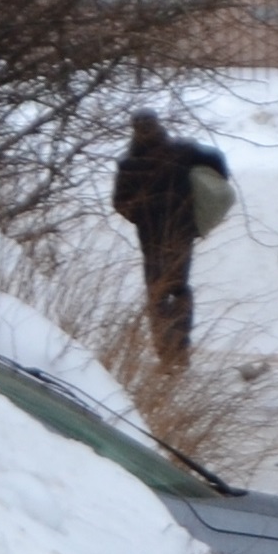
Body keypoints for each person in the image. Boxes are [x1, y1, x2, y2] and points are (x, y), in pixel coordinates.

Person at [110, 108, 229, 368]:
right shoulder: (183, 151)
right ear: (158, 125)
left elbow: (119, 203)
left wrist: (141, 216)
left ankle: (166, 353)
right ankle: (180, 348)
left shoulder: (129, 163)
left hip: (150, 239)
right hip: (182, 233)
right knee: (178, 288)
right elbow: (218, 160)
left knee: (157, 293)